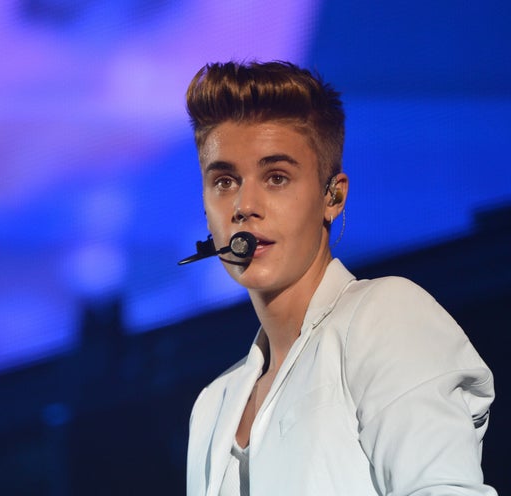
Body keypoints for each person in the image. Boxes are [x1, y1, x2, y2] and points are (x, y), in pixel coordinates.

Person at [183, 61, 496, 495]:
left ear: (333, 196)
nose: (244, 204)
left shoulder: (383, 317)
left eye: (276, 177)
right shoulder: (213, 405)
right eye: (224, 181)